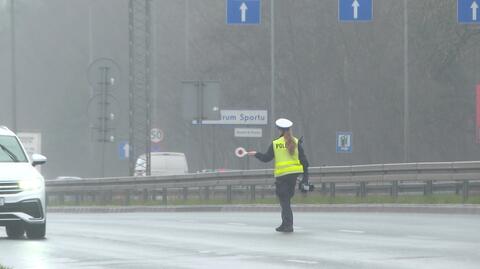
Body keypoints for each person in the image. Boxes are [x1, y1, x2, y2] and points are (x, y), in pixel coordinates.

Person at [247, 118, 309, 233]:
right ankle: (284, 223)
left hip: (282, 175)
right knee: (286, 200)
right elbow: (305, 162)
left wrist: (256, 154)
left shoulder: (276, 143)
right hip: (294, 175)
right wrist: (305, 178)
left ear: (279, 129)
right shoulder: (296, 142)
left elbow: (266, 158)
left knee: (284, 200)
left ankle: (288, 225)